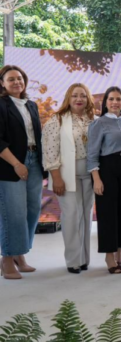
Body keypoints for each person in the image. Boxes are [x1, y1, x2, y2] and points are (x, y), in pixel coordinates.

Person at [42, 83, 95, 274]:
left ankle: (84, 259)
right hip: (66, 176)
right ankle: (73, 260)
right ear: (68, 98)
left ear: (88, 99)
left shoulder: (93, 120)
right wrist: (56, 178)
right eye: (75, 96)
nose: (79, 99)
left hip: (90, 175)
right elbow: (50, 152)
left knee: (86, 215)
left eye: (83, 96)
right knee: (72, 215)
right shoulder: (56, 120)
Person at [0, 65, 46, 280]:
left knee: (33, 209)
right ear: (2, 83)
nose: (17, 82)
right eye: (11, 79)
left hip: (34, 160)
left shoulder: (31, 105)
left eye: (19, 78)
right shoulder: (1, 104)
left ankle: (20, 254)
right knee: (14, 213)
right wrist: (17, 164)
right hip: (10, 164)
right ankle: (7, 258)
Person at [87, 87, 121, 274]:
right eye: (111, 99)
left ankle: (120, 254)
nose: (115, 102)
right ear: (105, 103)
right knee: (107, 213)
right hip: (107, 169)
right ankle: (109, 256)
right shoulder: (98, 123)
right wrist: (96, 179)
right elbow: (92, 154)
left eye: (118, 99)